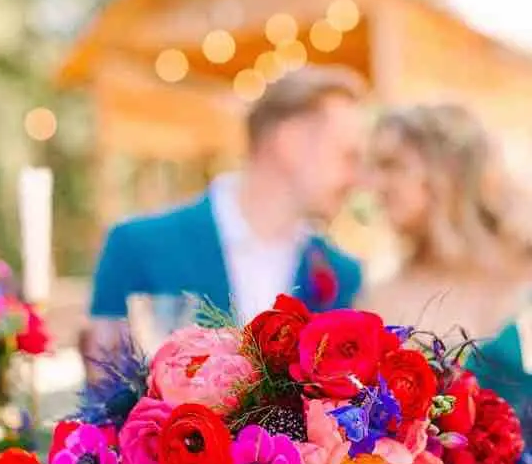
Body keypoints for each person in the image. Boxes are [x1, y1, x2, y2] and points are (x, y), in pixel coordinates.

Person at [89, 66, 366, 353]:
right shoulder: (137, 247)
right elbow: (105, 387)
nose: (358, 178)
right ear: (290, 141)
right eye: (348, 156)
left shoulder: (343, 276)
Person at [362, 102, 531, 339]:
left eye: (393, 166)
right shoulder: (380, 295)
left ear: (446, 174)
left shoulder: (522, 275)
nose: (374, 185)